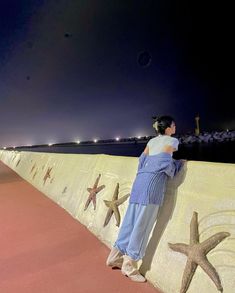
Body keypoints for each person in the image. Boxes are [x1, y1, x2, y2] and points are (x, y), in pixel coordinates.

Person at [106, 115, 185, 282]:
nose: (175, 127)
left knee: (130, 221)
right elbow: (165, 161)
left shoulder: (151, 142)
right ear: (168, 128)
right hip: (152, 187)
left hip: (139, 182)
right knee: (143, 226)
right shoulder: (172, 141)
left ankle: (114, 257)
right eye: (173, 125)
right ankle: (129, 265)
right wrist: (178, 165)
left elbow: (142, 160)